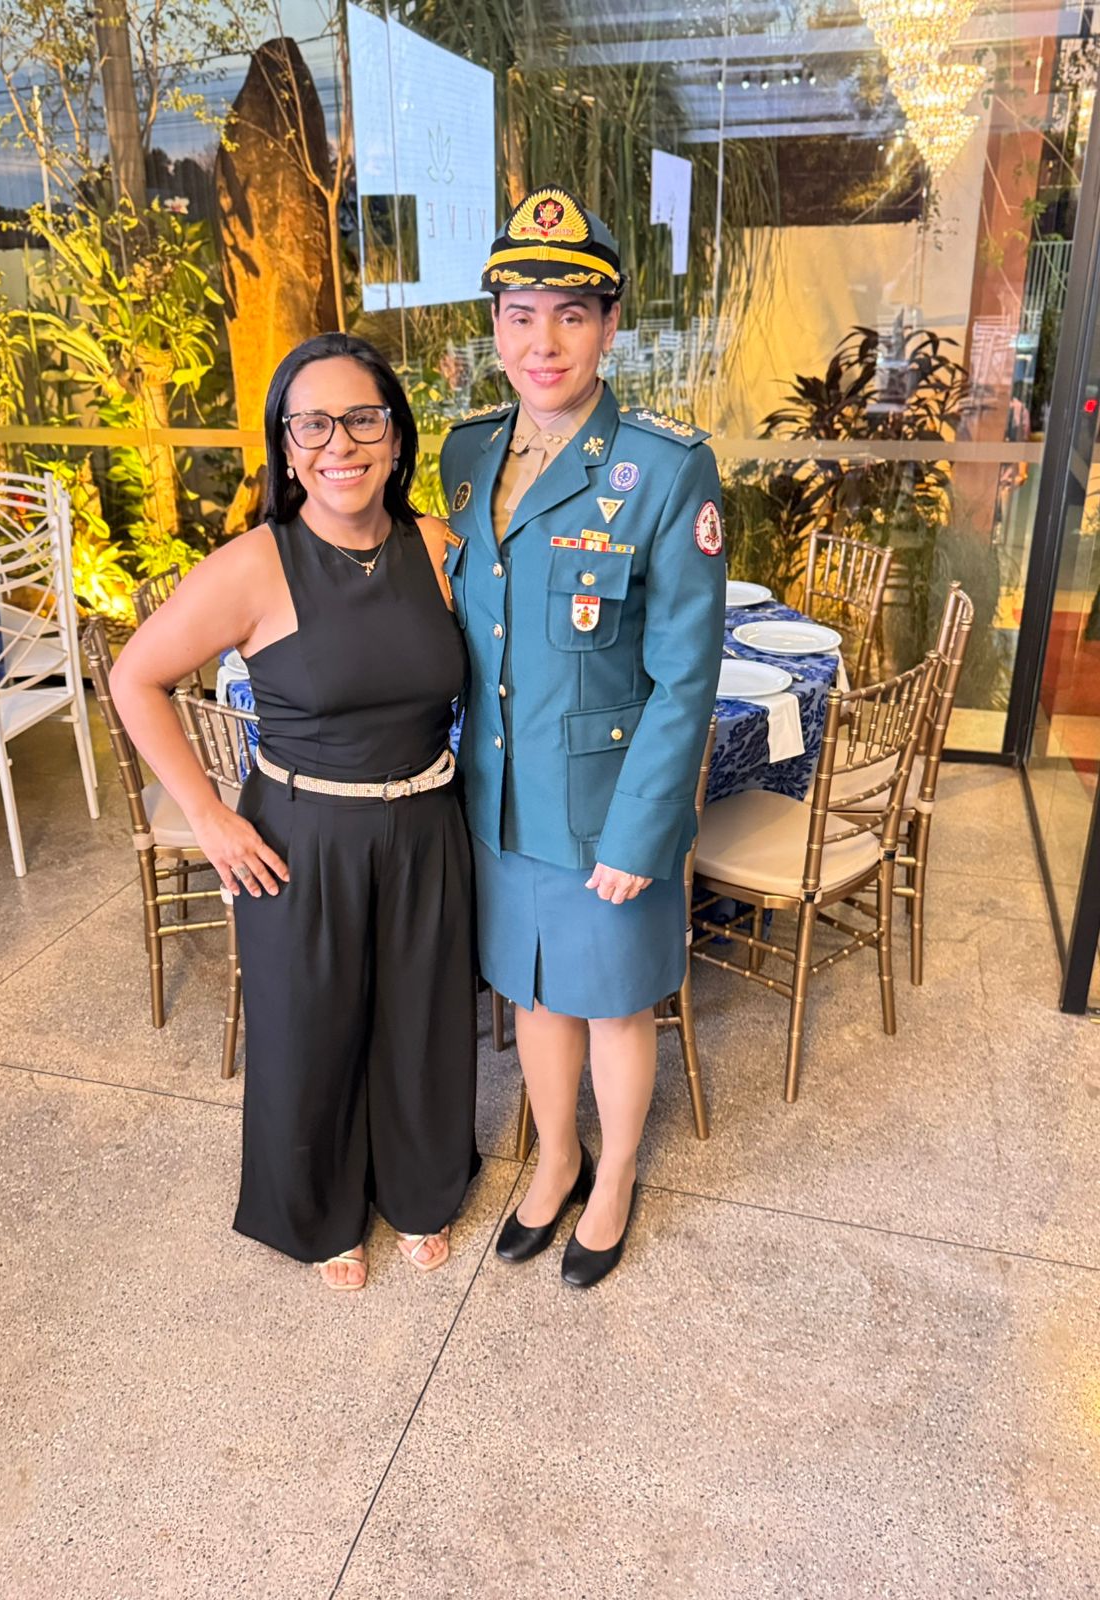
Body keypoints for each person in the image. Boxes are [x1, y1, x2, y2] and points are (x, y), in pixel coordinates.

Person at [112, 332, 478, 1292]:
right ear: (285, 444)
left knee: (422, 1020)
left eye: (362, 419)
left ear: (396, 435)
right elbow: (135, 678)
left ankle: (421, 1187)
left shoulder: (439, 546)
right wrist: (206, 815)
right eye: (311, 424)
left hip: (427, 823)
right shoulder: (253, 566)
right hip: (301, 833)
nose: (338, 444)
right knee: (308, 1029)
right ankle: (319, 1211)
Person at [439, 186, 725, 1288]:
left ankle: (616, 1178)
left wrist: (643, 829)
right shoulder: (468, 456)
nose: (543, 342)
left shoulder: (663, 469)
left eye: (570, 315)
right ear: (495, 325)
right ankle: (557, 1157)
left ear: (609, 326)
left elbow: (685, 673)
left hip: (608, 811)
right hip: (502, 800)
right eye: (520, 315)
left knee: (612, 1003)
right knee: (534, 991)